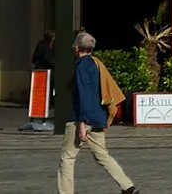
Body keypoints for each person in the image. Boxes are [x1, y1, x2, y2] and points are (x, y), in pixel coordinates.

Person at [59, 31, 139, 194]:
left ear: (77, 47)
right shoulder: (96, 64)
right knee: (102, 155)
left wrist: (81, 123)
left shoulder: (81, 67)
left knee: (67, 158)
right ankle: (127, 185)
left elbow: (84, 94)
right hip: (97, 117)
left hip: (81, 118)